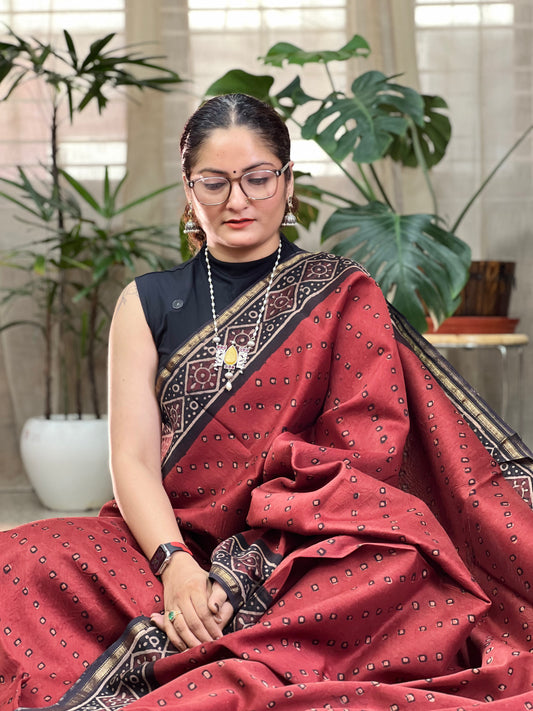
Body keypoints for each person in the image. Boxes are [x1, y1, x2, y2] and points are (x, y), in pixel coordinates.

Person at [1, 93, 532, 711]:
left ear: (287, 183)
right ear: (188, 188)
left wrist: (247, 567)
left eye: (257, 178)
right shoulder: (146, 302)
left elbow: (363, 458)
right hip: (166, 544)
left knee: (400, 573)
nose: (237, 200)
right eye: (215, 182)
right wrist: (176, 565)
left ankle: (228, 653)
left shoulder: (342, 295)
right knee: (21, 559)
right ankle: (216, 648)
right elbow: (133, 462)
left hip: (305, 550)